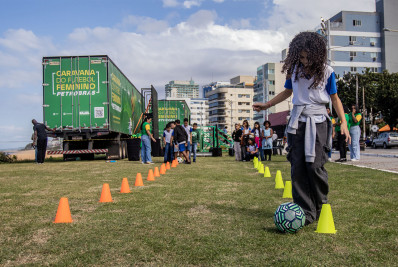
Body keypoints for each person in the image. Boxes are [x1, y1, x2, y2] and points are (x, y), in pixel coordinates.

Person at [253, 32, 350, 226]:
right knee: (297, 166)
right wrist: (267, 104)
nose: (304, 61)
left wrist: (344, 123)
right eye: (301, 57)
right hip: (298, 120)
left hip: (319, 121)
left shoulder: (327, 71)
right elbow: (288, 91)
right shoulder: (295, 70)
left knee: (314, 166)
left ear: (317, 54)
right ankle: (305, 211)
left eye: (307, 57)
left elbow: (335, 99)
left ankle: (321, 207)